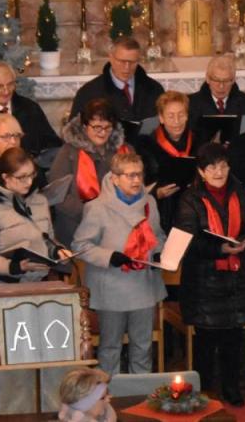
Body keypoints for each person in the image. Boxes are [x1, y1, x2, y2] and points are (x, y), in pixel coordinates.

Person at [175, 143, 245, 407]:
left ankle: (231, 387)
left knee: (233, 338)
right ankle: (204, 390)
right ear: (201, 171)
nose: (218, 171)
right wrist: (219, 248)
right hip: (203, 280)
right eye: (211, 167)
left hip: (237, 278)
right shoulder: (190, 198)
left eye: (223, 165)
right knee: (206, 339)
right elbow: (188, 240)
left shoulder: (238, 192)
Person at [72, 152, 166, 376]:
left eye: (139, 175)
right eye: (130, 176)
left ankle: (140, 395)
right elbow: (80, 245)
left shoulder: (149, 202)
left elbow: (158, 235)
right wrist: (108, 256)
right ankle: (107, 395)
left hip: (143, 285)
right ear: (114, 178)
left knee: (142, 346)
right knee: (110, 347)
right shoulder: (97, 207)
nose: (136, 180)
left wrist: (159, 253)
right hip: (111, 288)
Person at [0, 147, 66, 284]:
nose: (29, 182)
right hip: (5, 286)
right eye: (22, 177)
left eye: (32, 175)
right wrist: (15, 267)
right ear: (6, 177)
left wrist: (58, 251)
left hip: (39, 282)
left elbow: (48, 239)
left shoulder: (40, 201)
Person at [48, 98, 130, 248]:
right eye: (97, 127)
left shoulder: (124, 151)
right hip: (75, 225)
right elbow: (56, 194)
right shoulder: (68, 152)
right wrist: (91, 214)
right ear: (85, 126)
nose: (102, 132)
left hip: (116, 225)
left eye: (107, 127)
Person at [0, 61, 62, 174]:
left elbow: (52, 143)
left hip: (32, 178)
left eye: (10, 84)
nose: (6, 91)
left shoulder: (30, 108)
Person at [69, 36, 165, 129]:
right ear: (111, 58)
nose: (127, 67)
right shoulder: (89, 92)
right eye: (122, 61)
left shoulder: (154, 89)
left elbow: (165, 126)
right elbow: (74, 132)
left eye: (132, 62)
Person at [138, 91, 199, 233]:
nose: (177, 121)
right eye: (171, 116)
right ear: (161, 118)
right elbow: (139, 184)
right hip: (162, 211)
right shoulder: (146, 145)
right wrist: (155, 193)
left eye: (181, 115)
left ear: (187, 116)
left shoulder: (199, 141)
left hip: (194, 209)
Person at [187, 55, 245, 144]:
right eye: (216, 80)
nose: (221, 86)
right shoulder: (190, 103)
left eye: (226, 81)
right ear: (207, 78)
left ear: (233, 80)